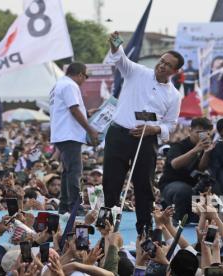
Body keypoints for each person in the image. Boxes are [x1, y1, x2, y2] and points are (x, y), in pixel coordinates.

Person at [103, 31, 183, 234]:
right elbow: (120, 58)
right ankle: (107, 224)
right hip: (119, 134)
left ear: (174, 71)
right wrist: (115, 44)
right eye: (161, 60)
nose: (162, 65)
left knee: (143, 185)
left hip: (146, 141)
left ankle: (145, 227)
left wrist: (153, 129)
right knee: (111, 181)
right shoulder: (137, 72)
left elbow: (171, 124)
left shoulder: (174, 96)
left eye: (167, 64)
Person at [49, 62, 99, 214]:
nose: (85, 80)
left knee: (68, 171)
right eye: (85, 76)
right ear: (80, 74)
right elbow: (73, 109)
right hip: (69, 134)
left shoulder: (59, 85)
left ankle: (65, 206)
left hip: (63, 133)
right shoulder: (70, 85)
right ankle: (73, 206)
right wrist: (90, 129)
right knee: (75, 171)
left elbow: (69, 110)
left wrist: (87, 113)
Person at [159, 117, 213, 222]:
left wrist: (206, 152)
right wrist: (195, 150)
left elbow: (201, 168)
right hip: (172, 185)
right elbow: (175, 164)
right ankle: (176, 219)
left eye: (206, 133)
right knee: (183, 191)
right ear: (190, 130)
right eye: (198, 132)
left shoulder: (205, 147)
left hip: (194, 187)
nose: (202, 136)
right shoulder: (178, 146)